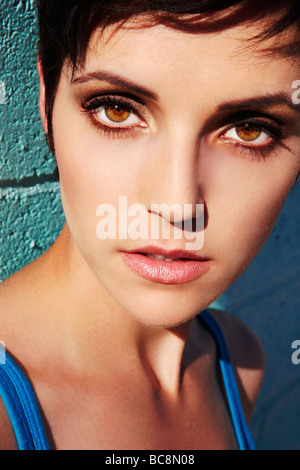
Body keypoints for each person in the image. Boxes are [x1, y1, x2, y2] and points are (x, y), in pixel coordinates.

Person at [0, 0, 299, 450]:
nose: (177, 207)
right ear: (46, 100)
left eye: (250, 130)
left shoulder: (239, 362)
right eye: (117, 110)